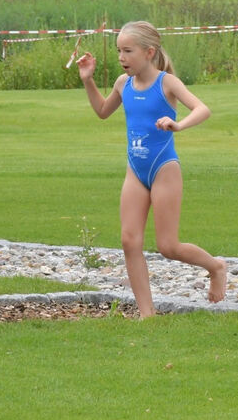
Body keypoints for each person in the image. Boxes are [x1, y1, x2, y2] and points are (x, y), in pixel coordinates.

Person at [76, 21, 227, 317]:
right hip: (135, 169)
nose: (121, 57)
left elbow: (202, 109)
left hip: (163, 168)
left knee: (168, 246)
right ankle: (148, 315)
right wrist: (87, 80)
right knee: (129, 240)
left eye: (128, 51)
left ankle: (216, 266)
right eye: (119, 50)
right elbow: (102, 112)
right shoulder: (123, 84)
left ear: (149, 52)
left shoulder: (166, 83)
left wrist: (177, 124)